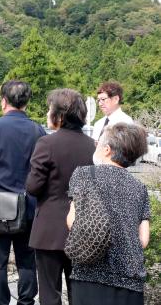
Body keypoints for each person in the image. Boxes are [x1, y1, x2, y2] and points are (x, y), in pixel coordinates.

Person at [0, 80, 45, 305]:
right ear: (27, 102)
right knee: (27, 259)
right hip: (29, 205)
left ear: (4, 101)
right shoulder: (37, 129)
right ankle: (26, 301)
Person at [67, 123, 150, 305]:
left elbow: (72, 221)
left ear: (106, 149)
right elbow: (143, 240)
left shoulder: (83, 174)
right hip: (131, 280)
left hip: (90, 273)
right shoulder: (140, 188)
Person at [25, 89, 95, 305]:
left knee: (49, 293)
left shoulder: (47, 144)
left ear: (60, 115)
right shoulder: (93, 145)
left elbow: (33, 187)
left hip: (49, 229)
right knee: (80, 292)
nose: (47, 113)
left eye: (49, 109)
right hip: (83, 228)